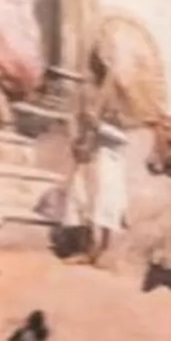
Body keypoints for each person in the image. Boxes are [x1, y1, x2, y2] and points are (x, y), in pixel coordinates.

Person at [61, 113, 129, 265]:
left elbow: (123, 139)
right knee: (80, 206)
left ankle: (102, 250)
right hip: (88, 169)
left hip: (106, 175)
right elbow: (79, 144)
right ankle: (85, 250)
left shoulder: (114, 137)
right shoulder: (89, 129)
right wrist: (78, 145)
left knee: (106, 209)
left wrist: (100, 126)